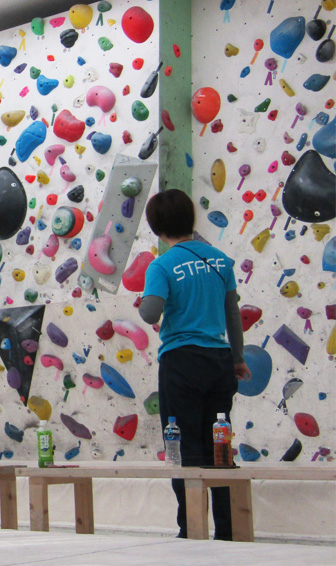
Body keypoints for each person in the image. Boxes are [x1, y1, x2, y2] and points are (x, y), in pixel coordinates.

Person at [138, 189, 251, 541]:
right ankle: (229, 529)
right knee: (219, 445)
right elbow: (233, 314)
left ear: (156, 228)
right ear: (191, 219)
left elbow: (151, 312)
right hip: (219, 361)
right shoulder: (221, 261)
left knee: (183, 445)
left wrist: (143, 301)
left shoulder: (161, 265)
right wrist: (237, 358)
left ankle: (191, 529)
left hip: (182, 361)